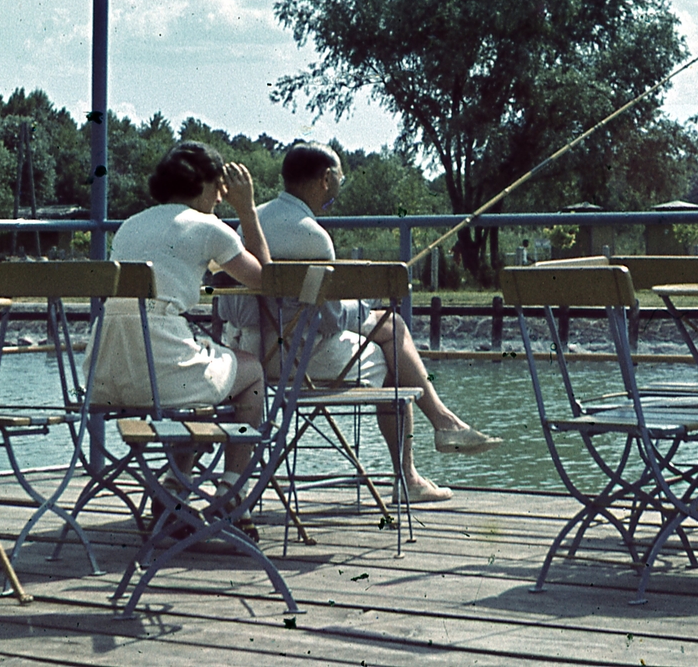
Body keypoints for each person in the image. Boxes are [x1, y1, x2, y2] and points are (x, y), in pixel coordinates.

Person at [222, 141, 500, 503]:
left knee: (392, 327)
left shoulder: (247, 222)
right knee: (394, 360)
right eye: (340, 175)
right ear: (325, 179)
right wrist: (365, 306)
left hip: (250, 353)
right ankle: (413, 470)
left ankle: (443, 425)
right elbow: (333, 320)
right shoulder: (313, 235)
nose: (341, 181)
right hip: (301, 359)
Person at [91, 141, 269, 493]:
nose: (220, 199)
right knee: (250, 373)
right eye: (219, 189)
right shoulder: (209, 227)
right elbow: (265, 278)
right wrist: (247, 212)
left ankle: (175, 485)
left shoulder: (130, 225)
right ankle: (232, 489)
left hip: (105, 370)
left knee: (202, 376)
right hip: (162, 369)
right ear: (202, 183)